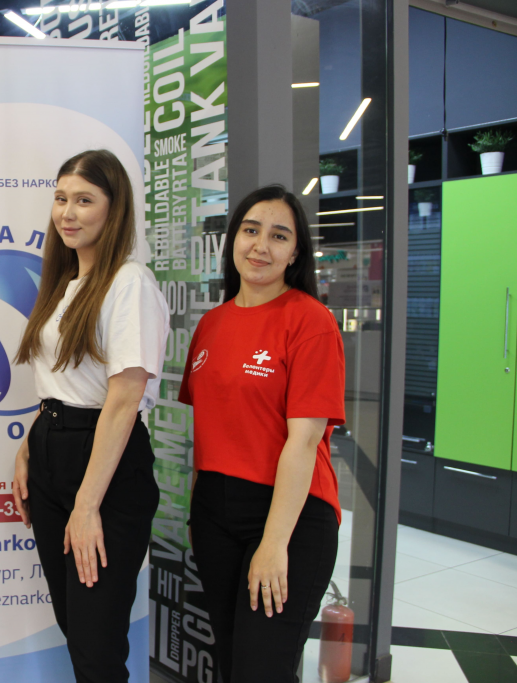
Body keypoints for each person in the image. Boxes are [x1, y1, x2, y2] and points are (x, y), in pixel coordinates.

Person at [12, 149, 168, 683]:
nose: (68, 213)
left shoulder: (130, 282)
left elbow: (123, 399)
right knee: (77, 630)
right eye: (61, 199)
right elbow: (58, 384)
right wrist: (29, 447)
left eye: (84, 200)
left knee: (98, 646)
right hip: (52, 449)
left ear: (113, 208)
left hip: (104, 464)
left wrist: (86, 504)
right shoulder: (64, 282)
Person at [178, 185, 345, 683]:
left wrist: (274, 543)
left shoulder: (310, 321)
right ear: (233, 239)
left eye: (279, 236)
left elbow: (304, 441)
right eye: (251, 230)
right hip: (215, 511)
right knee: (233, 664)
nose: (261, 246)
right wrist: (199, 509)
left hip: (289, 514)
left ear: (295, 253)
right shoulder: (211, 325)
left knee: (261, 670)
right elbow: (209, 431)